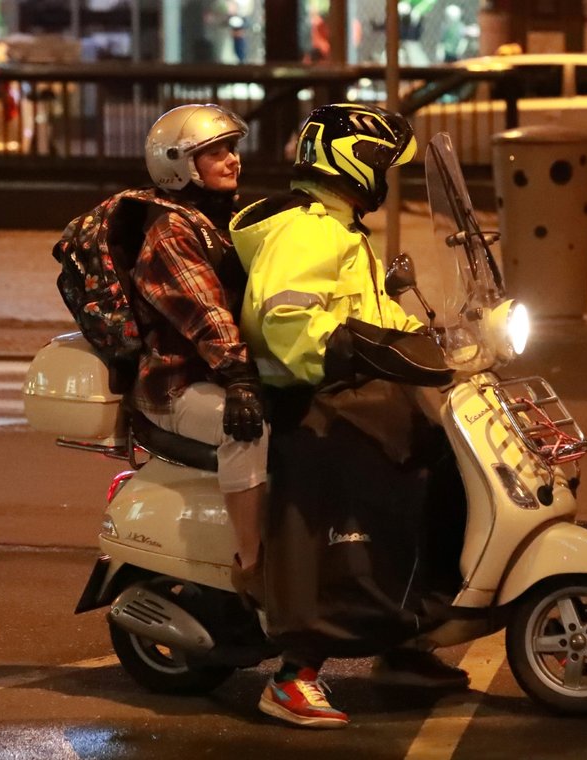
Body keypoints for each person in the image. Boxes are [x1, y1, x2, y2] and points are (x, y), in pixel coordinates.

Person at [230, 103, 467, 730]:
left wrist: (432, 339)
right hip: (310, 402)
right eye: (384, 162)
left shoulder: (342, 231)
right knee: (359, 495)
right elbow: (284, 318)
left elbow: (373, 317)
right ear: (355, 162)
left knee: (443, 462)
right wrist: (338, 348)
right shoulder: (307, 232)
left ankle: (407, 635)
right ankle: (294, 673)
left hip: (350, 391)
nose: (389, 177)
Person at [132, 103, 267, 601]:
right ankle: (253, 567)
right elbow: (206, 315)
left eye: (232, 149)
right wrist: (241, 380)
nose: (233, 160)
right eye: (216, 152)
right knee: (250, 429)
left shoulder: (227, 218)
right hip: (175, 386)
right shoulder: (170, 233)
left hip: (218, 373)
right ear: (179, 164)